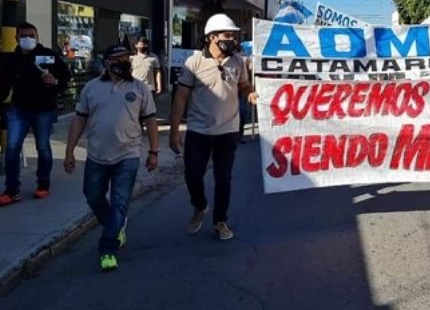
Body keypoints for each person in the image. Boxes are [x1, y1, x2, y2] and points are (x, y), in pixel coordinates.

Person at [63, 44, 158, 272]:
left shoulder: (139, 88)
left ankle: (108, 249)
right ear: (107, 63)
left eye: (127, 57)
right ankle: (115, 227)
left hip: (128, 154)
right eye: (119, 58)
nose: (125, 61)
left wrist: (154, 151)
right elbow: (79, 119)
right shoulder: (91, 88)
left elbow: (151, 121)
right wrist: (69, 151)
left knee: (120, 202)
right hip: (96, 154)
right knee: (93, 195)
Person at [169, 14, 258, 241]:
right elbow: (181, 97)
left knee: (223, 178)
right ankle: (200, 206)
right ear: (211, 37)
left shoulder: (238, 61)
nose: (232, 39)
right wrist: (174, 130)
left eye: (233, 35)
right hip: (199, 131)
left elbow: (244, 85)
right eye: (227, 35)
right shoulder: (194, 62)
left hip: (228, 130)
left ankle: (220, 221)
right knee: (193, 174)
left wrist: (250, 94)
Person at [0, 22, 70, 205]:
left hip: (44, 109)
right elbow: (3, 84)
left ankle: (43, 185)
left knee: (43, 147)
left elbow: (64, 78)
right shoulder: (10, 60)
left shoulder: (47, 55)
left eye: (32, 35)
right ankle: (11, 189)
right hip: (18, 108)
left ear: (37, 36)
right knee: (12, 148)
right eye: (24, 36)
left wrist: (54, 83)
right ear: (16, 38)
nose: (28, 39)